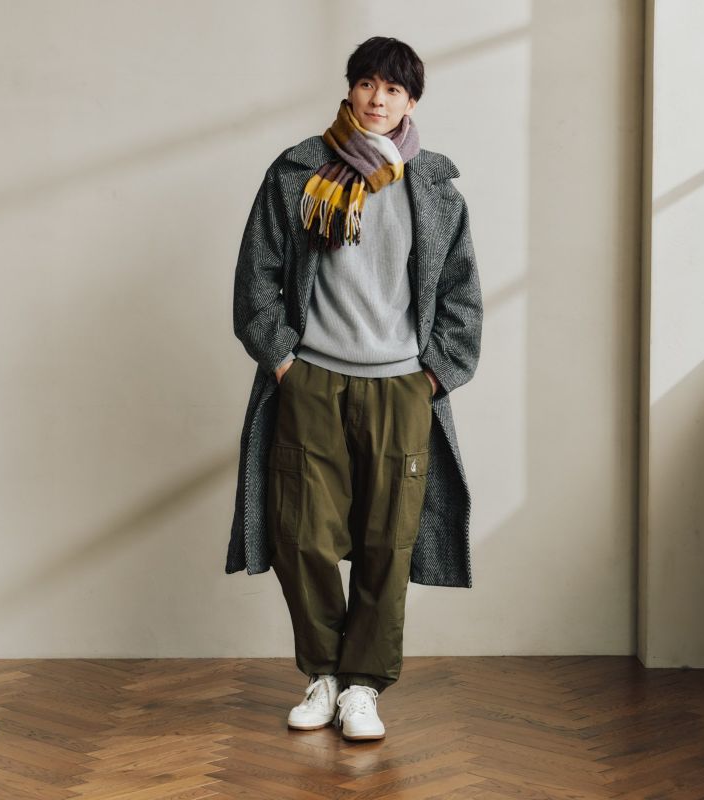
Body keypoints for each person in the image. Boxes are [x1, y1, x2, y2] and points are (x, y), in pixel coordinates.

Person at [226, 35, 483, 741]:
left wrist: (432, 375)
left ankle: (364, 686)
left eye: (394, 89)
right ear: (349, 89)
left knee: (387, 540)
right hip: (311, 379)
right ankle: (324, 676)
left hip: (401, 388)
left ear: (412, 102)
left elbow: (461, 297)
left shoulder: (435, 188)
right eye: (368, 83)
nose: (378, 98)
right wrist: (285, 362)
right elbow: (256, 280)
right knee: (302, 535)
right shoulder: (297, 173)